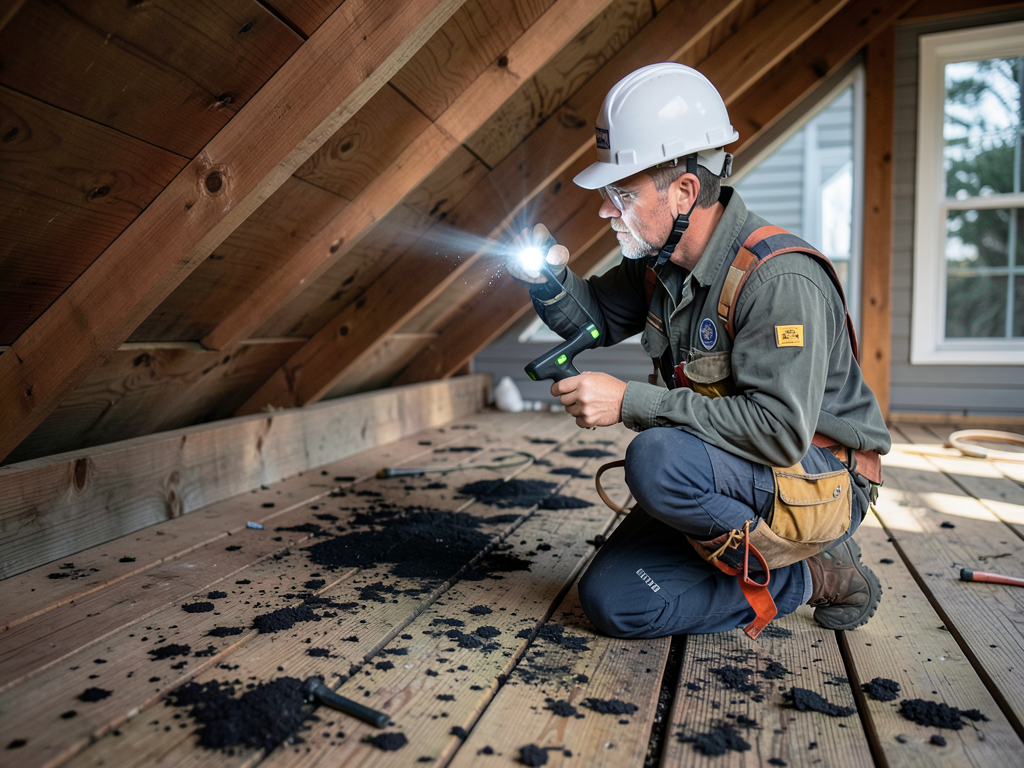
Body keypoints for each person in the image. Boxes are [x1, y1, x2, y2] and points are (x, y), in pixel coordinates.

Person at [506, 62, 891, 640]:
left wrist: (630, 401)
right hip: (725, 472)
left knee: (657, 459)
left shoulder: (777, 280)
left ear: (685, 191)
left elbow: (779, 432)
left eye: (623, 193)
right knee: (615, 602)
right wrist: (547, 281)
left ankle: (817, 549)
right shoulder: (658, 265)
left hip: (819, 476)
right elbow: (594, 320)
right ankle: (806, 578)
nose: (607, 210)